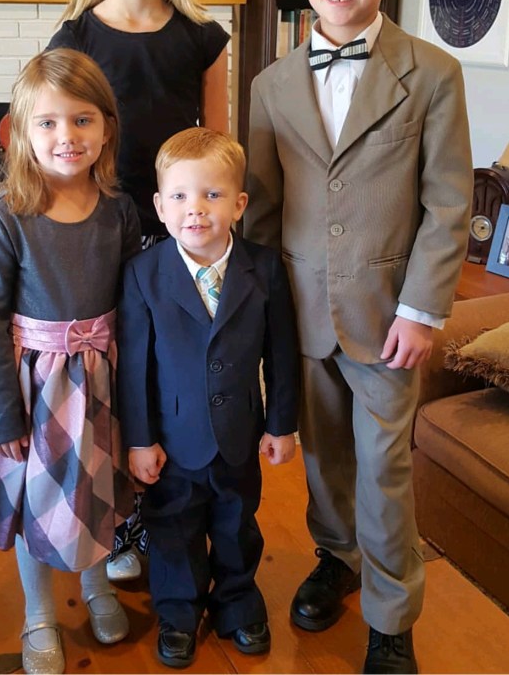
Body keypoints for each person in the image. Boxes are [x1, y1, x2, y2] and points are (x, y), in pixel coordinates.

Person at [243, 0, 473, 675]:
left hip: (387, 318)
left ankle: (391, 614)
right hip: (301, 309)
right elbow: (262, 210)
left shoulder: (433, 74)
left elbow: (449, 203)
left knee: (384, 468)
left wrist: (422, 310)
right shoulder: (270, 86)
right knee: (325, 457)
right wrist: (261, 314)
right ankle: (336, 557)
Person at [0, 48, 142, 675]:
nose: (66, 136)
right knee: (41, 503)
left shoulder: (120, 210)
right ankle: (39, 615)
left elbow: (133, 305)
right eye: (48, 122)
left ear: (106, 127)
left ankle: (97, 587)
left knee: (97, 491)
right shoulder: (6, 219)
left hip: (101, 379)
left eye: (82, 120)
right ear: (22, 132)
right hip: (33, 387)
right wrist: (2, 415)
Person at [117, 127, 300, 668]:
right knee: (173, 528)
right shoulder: (143, 274)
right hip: (171, 441)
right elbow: (135, 367)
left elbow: (282, 353)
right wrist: (140, 439)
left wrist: (281, 424)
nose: (194, 209)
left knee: (237, 523)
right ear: (159, 206)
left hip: (240, 433)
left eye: (211, 194)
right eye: (179, 196)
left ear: (239, 204)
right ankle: (178, 612)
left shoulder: (264, 268)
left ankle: (238, 602)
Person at [47, 0, 230, 247]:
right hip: (99, 226)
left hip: (181, 227)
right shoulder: (72, 41)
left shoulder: (205, 38)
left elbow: (216, 147)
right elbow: (56, 142)